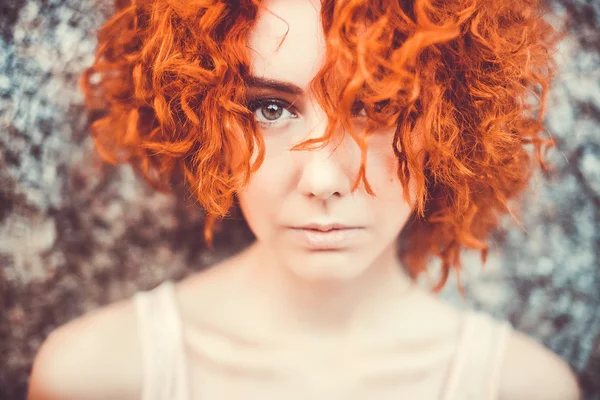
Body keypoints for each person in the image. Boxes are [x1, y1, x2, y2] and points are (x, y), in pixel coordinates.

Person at [28, 0, 580, 399]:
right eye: (270, 109)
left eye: (375, 106)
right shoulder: (95, 376)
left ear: (452, 122)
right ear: (202, 114)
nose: (321, 177)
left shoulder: (524, 387)